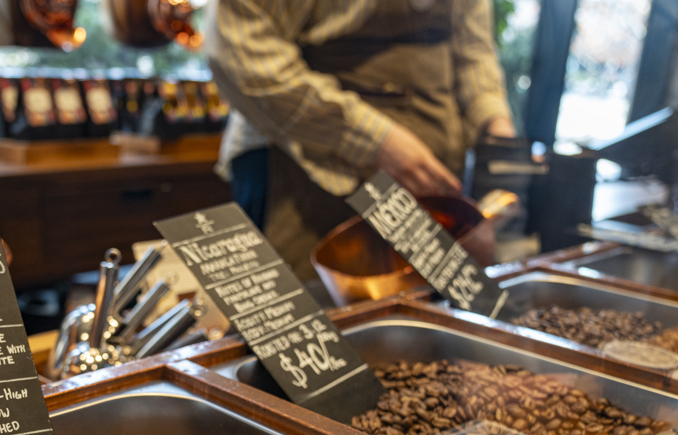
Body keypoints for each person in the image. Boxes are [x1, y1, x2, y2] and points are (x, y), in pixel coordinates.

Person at [207, 0, 516, 280]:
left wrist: (497, 129)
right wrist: (373, 140)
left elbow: (474, 53)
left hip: (428, 187)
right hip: (304, 173)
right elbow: (240, 52)